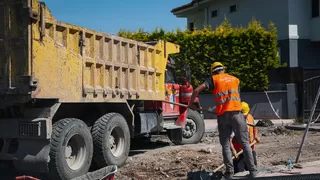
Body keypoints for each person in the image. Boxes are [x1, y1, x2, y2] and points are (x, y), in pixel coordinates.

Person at [188, 62, 257, 179]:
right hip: (237, 113)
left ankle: (229, 172)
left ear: (213, 72)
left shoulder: (214, 79)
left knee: (225, 145)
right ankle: (253, 171)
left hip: (223, 115)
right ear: (223, 70)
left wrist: (191, 104)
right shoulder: (235, 80)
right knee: (245, 143)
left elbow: (196, 90)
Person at [230, 102, 260, 174]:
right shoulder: (235, 123)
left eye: (245, 115)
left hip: (250, 150)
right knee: (239, 173)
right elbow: (229, 140)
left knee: (253, 171)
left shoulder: (250, 117)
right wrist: (233, 150)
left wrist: (256, 136)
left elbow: (255, 127)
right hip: (239, 152)